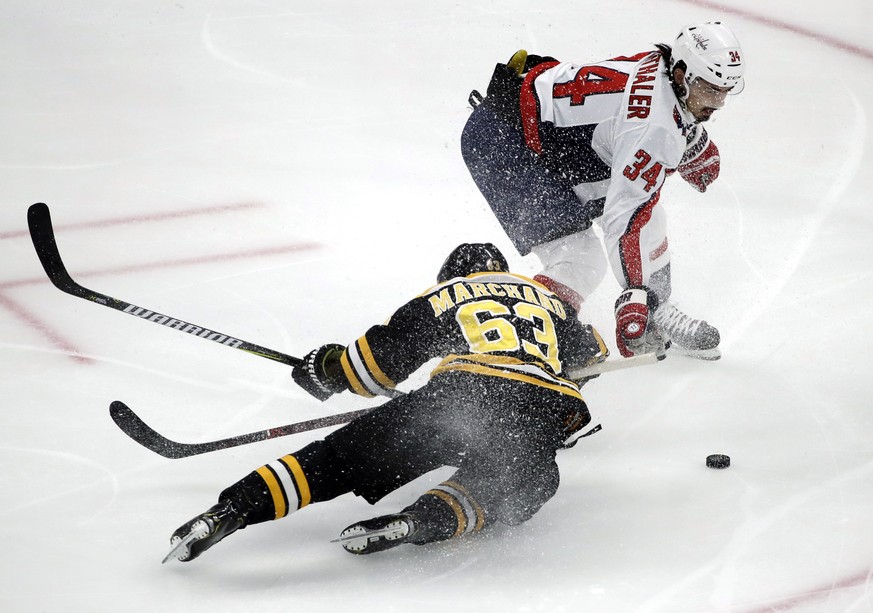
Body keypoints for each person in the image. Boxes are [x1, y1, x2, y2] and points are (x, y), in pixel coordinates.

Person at [164, 243, 609, 562]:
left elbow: (374, 366)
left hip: (459, 395)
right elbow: (592, 355)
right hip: (543, 408)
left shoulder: (444, 296)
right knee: (525, 478)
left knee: (337, 460)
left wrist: (328, 369)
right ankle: (419, 521)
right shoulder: (549, 301)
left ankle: (231, 510)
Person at [460, 21, 746, 361]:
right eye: (711, 90)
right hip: (505, 145)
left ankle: (658, 309)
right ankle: (525, 342)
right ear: (683, 76)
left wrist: (692, 136)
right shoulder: (654, 129)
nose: (719, 102)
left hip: (544, 138)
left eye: (725, 91)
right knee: (580, 259)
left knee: (650, 214)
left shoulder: (659, 65)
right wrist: (633, 295)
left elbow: (633, 120)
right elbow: (622, 220)